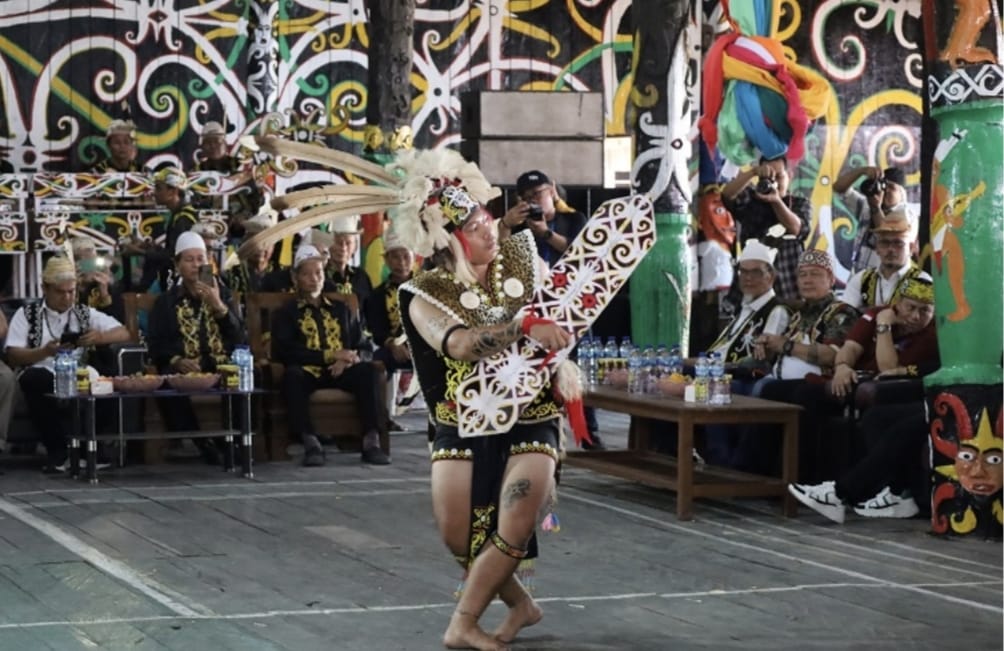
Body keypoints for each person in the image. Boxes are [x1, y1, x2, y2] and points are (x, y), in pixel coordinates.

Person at [399, 165, 572, 650]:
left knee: (514, 519)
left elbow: (565, 305)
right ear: (447, 241)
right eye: (473, 227)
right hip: (464, 418)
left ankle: (463, 623)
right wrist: (522, 327)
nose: (488, 229)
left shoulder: (522, 253)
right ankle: (521, 604)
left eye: (486, 219)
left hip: (533, 410)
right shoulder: (423, 295)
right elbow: (459, 347)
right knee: (459, 535)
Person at [501, 170, 604, 449]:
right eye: (527, 198)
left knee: (579, 368)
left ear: (553, 190)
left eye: (539, 194)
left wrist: (546, 234)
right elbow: (501, 258)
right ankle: (534, 428)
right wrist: (506, 224)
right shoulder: (520, 228)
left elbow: (583, 256)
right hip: (534, 308)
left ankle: (588, 432)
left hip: (574, 306)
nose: (535, 202)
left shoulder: (574, 219)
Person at [5, 255, 131, 471]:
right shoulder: (27, 314)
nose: (67, 298)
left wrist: (99, 338)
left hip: (78, 371)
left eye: (71, 291)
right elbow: (13, 355)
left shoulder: (83, 313)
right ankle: (58, 451)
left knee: (104, 379)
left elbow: (124, 332)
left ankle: (90, 447)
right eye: (60, 292)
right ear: (45, 288)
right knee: (36, 379)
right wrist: (44, 351)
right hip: (40, 370)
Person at [270, 245, 390, 467]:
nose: (313, 279)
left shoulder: (341, 309)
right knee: (292, 376)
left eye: (318, 273)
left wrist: (349, 359)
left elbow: (364, 346)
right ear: (295, 278)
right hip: (309, 371)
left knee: (369, 371)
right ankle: (310, 442)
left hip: (342, 370)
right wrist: (330, 355)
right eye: (306, 274)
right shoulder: (288, 312)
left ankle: (371, 441)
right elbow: (286, 350)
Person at [146, 232, 246, 464]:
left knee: (248, 374)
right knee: (166, 378)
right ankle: (203, 443)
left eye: (200, 259)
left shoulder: (225, 294)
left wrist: (219, 305)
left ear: (208, 262)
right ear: (177, 265)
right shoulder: (166, 302)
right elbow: (155, 344)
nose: (195, 265)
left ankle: (236, 441)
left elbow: (240, 338)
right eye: (189, 260)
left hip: (221, 365)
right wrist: (176, 360)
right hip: (186, 366)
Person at [788, 402, 926, 523]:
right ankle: (898, 492)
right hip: (935, 398)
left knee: (903, 431)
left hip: (945, 408)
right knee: (875, 417)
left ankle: (839, 493)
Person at [722, 155, 811, 303]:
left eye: (779, 176)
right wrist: (753, 172)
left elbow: (797, 229)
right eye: (769, 178)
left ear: (789, 175)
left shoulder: (799, 203)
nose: (774, 183)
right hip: (754, 287)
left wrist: (776, 201)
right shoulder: (750, 200)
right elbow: (727, 195)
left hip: (789, 287)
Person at [832, 165, 918, 272]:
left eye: (891, 188)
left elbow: (887, 235)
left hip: (889, 279)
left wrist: (876, 208)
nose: (885, 191)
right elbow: (839, 188)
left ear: (902, 194)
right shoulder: (867, 206)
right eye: (883, 186)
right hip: (861, 276)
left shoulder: (908, 215)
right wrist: (862, 171)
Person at [840, 209, 929, 310]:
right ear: (877, 248)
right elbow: (845, 315)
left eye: (898, 243)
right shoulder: (861, 280)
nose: (890, 249)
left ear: (912, 248)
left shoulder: (922, 281)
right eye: (885, 243)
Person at [71, 235, 124, 323]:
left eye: (89, 257)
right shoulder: (68, 286)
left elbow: (118, 321)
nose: (85, 262)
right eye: (78, 259)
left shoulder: (107, 282)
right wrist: (77, 288)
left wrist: (104, 292)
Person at [325, 215, 373, 303]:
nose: (343, 248)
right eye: (338, 242)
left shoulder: (361, 277)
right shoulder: (320, 276)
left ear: (355, 247)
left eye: (348, 243)